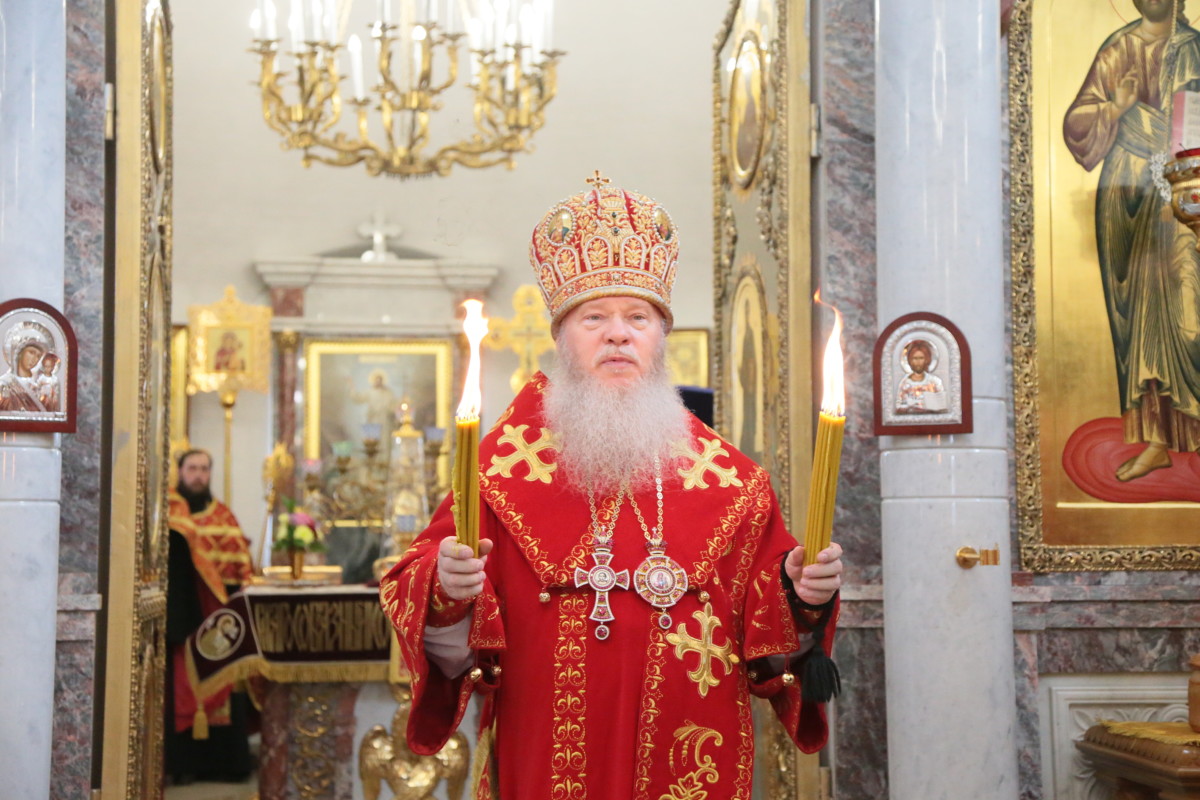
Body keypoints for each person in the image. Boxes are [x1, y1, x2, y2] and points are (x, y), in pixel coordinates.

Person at [380, 173, 844, 799]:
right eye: (593, 317)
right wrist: (445, 586)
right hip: (547, 753)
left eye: (639, 317)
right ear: (562, 340)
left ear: (661, 339)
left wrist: (803, 592)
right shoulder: (498, 472)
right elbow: (424, 597)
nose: (618, 333)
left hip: (690, 755)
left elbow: (774, 648)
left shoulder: (734, 484)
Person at [1064, 0, 1200, 481]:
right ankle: (1159, 441)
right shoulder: (1118, 48)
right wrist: (1114, 108)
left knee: (1189, 314)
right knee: (1138, 319)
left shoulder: (1195, 49)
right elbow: (1076, 123)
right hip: (1127, 190)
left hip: (1187, 190)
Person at [165, 448, 256, 784]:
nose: (198, 475)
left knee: (223, 687)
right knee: (182, 688)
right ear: (179, 471)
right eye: (192, 468)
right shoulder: (171, 513)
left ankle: (225, 764)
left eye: (204, 469)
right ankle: (182, 764)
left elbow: (240, 568)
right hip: (181, 618)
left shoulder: (224, 518)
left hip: (220, 620)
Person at [0, 320, 58, 413]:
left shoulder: (39, 386)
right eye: (31, 352)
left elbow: (51, 416)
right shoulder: (4, 384)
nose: (34, 359)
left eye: (39, 356)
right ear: (19, 353)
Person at [896, 339, 945, 413]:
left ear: (926, 359)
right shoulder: (905, 383)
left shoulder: (935, 382)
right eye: (915, 358)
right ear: (910, 360)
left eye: (921, 358)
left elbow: (942, 407)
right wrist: (909, 406)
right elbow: (898, 406)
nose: (918, 362)